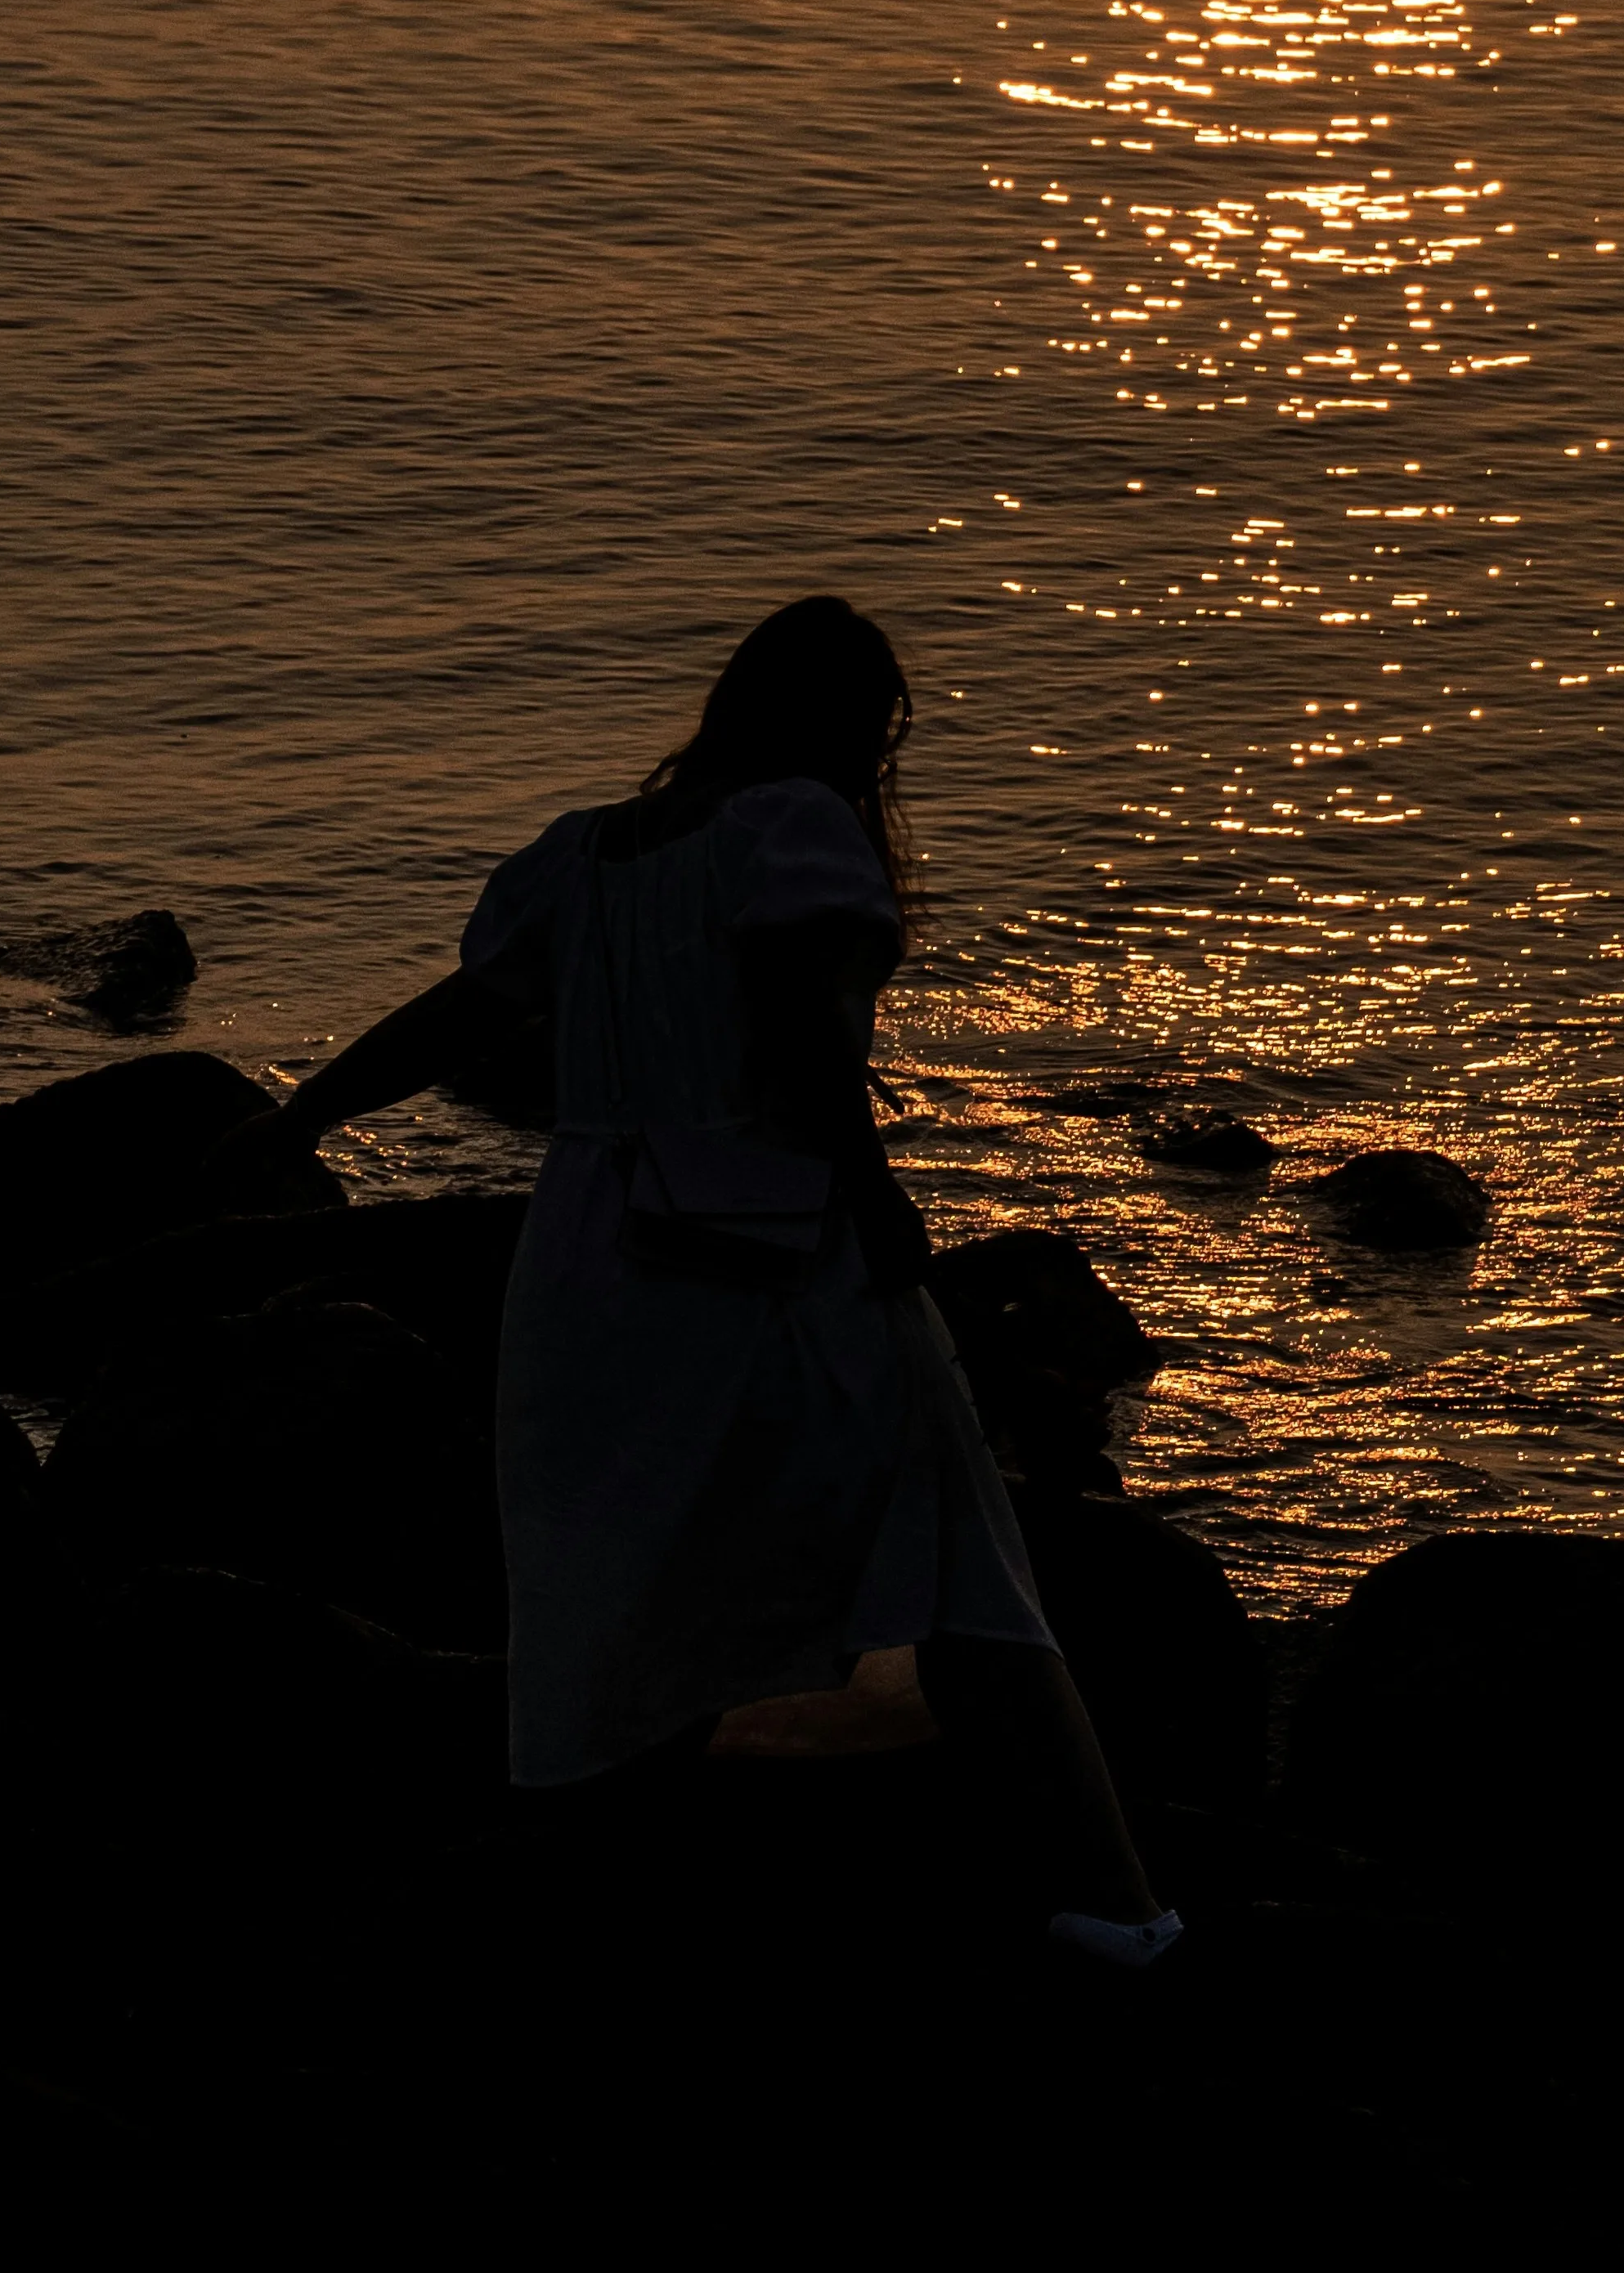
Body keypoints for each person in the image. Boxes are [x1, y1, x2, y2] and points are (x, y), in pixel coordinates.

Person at [245, 595, 1178, 1961]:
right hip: (777, 1248)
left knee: (625, 1568)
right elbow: (809, 1054)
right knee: (963, 1569)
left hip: (589, 1264)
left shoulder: (582, 857)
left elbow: (459, 1016)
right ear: (861, 730)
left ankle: (635, 1886)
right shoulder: (797, 828)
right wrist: (884, 1213)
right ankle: (1121, 1910)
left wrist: (299, 1117)